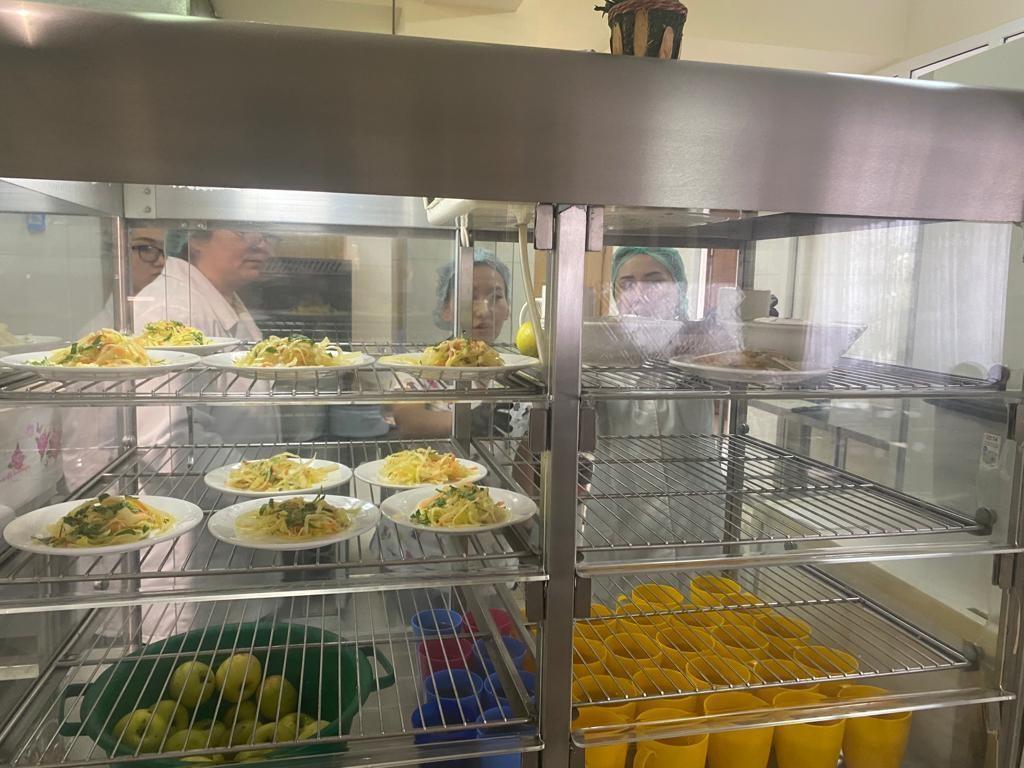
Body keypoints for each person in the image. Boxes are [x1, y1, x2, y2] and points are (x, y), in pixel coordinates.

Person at [133, 229, 280, 446]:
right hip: (209, 468)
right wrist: (246, 468)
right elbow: (172, 441)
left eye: (267, 235)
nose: (262, 246)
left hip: (240, 463)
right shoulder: (174, 309)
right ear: (196, 238)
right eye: (242, 230)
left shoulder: (218, 296)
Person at [391, 249, 528, 439]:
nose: (483, 311)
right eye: (469, 297)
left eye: (496, 297)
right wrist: (468, 421)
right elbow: (409, 421)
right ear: (445, 309)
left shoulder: (515, 372)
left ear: (507, 309)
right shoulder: (420, 367)